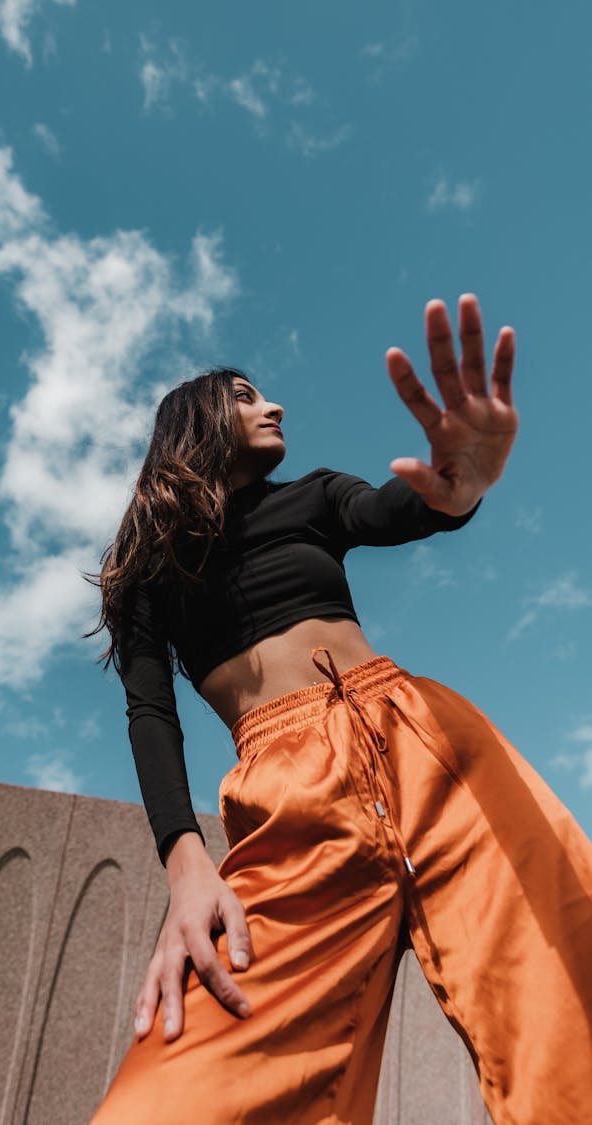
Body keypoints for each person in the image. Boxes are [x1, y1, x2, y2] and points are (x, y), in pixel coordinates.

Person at [88, 295, 592, 1125]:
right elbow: (151, 713)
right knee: (178, 1087)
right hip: (292, 797)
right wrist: (186, 864)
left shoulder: (316, 495)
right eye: (245, 395)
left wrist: (458, 486)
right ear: (197, 422)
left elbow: (397, 509)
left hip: (432, 746)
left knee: (566, 1008)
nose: (273, 403)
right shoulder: (148, 566)